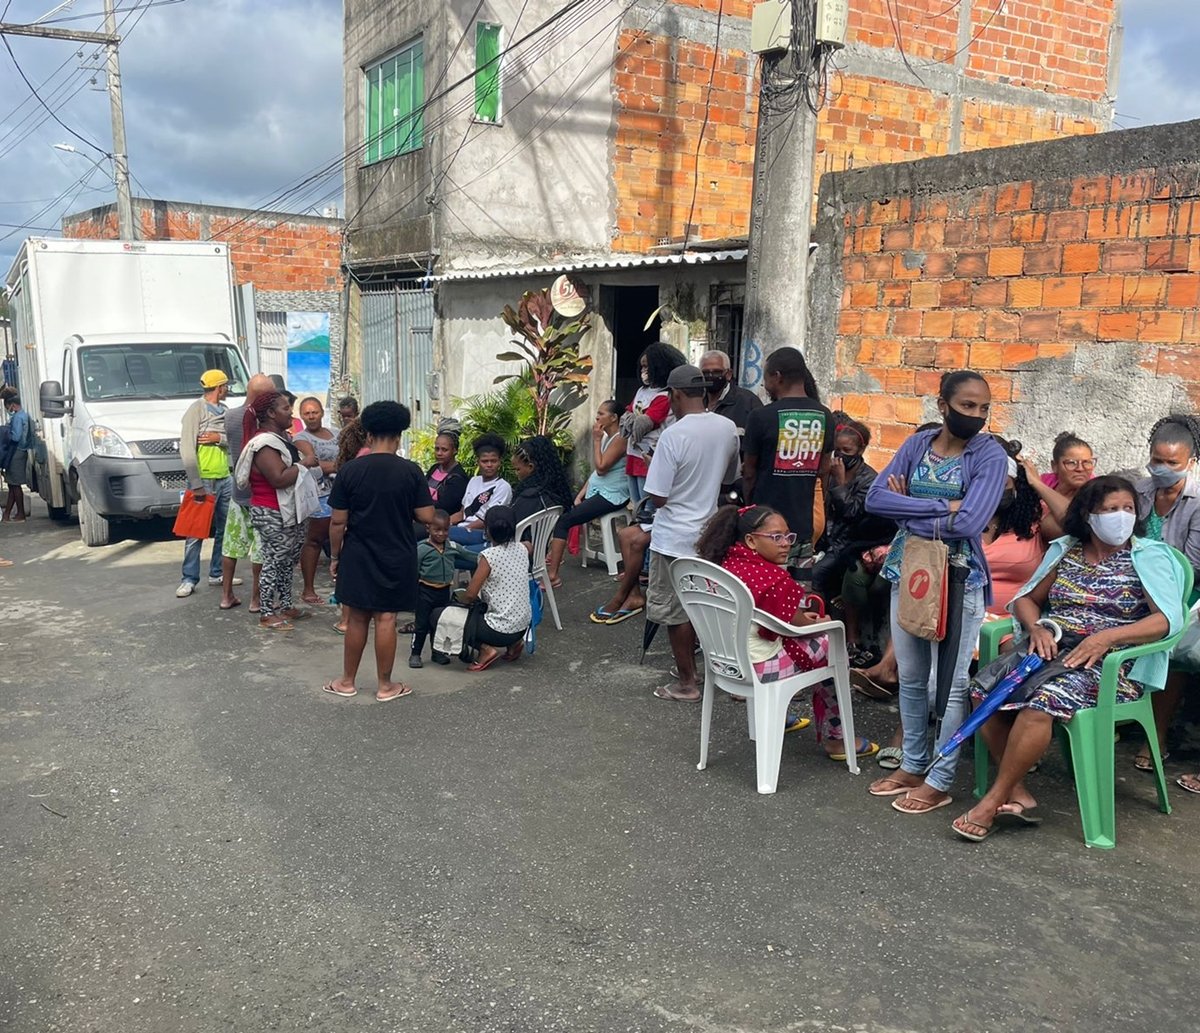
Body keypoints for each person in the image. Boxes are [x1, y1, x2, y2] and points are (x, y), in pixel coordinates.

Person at [952, 476, 1183, 841]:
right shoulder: (1067, 551)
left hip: (1110, 665)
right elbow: (1027, 599)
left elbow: (1166, 619)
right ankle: (1017, 791)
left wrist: (1107, 638)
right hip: (1052, 647)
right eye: (1109, 510)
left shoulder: (1146, 555)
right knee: (984, 693)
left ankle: (993, 800)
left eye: (1127, 509)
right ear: (1089, 516)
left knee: (1041, 704)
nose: (1120, 517)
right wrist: (1037, 628)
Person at [864, 370, 1008, 814]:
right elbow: (873, 499)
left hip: (960, 576)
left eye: (984, 408)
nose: (977, 416)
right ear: (943, 405)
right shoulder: (914, 446)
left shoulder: (990, 455)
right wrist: (943, 505)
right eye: (968, 406)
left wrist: (907, 510)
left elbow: (970, 524)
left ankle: (941, 777)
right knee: (909, 673)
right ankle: (912, 763)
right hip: (911, 571)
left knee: (951, 681)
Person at [698, 504, 879, 759]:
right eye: (776, 537)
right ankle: (836, 739)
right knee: (831, 644)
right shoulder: (772, 578)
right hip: (761, 666)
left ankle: (777, 714)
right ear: (750, 540)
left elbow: (774, 619)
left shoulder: (725, 563)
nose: (786, 544)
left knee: (814, 637)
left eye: (788, 536)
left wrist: (805, 620)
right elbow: (796, 626)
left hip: (724, 661)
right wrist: (821, 624)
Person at [640, 364, 740, 702]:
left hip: (673, 536)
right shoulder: (727, 428)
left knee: (675, 611)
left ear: (676, 395)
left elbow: (658, 495)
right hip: (709, 533)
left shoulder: (673, 435)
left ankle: (687, 682)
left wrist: (658, 463)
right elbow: (728, 479)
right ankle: (721, 673)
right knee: (709, 605)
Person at [323, 401, 434, 701]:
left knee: (357, 617)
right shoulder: (411, 471)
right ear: (399, 436)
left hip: (358, 554)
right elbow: (426, 516)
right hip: (397, 554)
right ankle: (385, 686)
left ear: (368, 436)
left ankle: (346, 682)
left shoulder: (350, 471)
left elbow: (337, 521)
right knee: (386, 617)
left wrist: (335, 556)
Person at [1130, 414, 1200, 774]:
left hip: (1181, 591)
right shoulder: (1139, 491)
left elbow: (1192, 565)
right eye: (1156, 460)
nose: (1162, 468)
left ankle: (1154, 733)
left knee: (1169, 644)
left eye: (1171, 463)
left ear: (1190, 462)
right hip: (1134, 583)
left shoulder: (1197, 502)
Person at [742, 347, 833, 571]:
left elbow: (749, 472)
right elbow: (823, 471)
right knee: (798, 594)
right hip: (802, 527)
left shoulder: (761, 416)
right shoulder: (825, 416)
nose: (764, 385)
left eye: (765, 378)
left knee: (763, 589)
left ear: (777, 377)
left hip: (764, 528)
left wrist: (749, 507)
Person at [235, 391, 308, 631]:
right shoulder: (265, 444)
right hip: (271, 511)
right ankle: (267, 612)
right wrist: (304, 464)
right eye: (286, 408)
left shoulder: (279, 439)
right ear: (270, 413)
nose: (291, 413)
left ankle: (285, 605)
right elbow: (278, 478)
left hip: (287, 509)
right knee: (274, 561)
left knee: (288, 560)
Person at [436, 505, 533, 672]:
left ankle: (486, 650)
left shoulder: (488, 557)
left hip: (498, 631)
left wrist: (459, 600)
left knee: (439, 615)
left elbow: (471, 595)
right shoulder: (523, 548)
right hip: (523, 626)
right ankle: (514, 644)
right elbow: (528, 545)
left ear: (487, 531)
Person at [545, 400, 630, 587]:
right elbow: (595, 474)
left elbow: (600, 469)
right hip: (601, 490)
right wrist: (581, 494)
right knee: (562, 501)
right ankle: (554, 554)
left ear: (614, 417)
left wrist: (596, 440)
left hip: (614, 495)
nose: (597, 417)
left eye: (601, 414)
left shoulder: (620, 439)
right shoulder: (608, 437)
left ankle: (553, 575)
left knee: (564, 521)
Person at [811, 417, 890, 603]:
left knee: (815, 576)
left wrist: (840, 483)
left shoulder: (869, 479)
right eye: (837, 450)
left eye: (847, 451)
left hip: (847, 543)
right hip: (825, 540)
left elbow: (851, 513)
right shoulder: (829, 469)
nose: (841, 455)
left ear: (860, 451)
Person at [176, 370, 237, 599]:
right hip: (204, 480)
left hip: (225, 477)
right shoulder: (197, 410)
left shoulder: (226, 412)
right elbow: (187, 448)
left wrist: (216, 438)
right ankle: (189, 578)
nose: (227, 389)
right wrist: (196, 483)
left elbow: (231, 438)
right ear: (219, 387)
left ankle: (217, 573)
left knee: (224, 529)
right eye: (225, 386)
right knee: (195, 532)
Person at [219, 372, 273, 611]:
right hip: (262, 494)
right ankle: (255, 599)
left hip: (237, 493)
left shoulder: (230, 416)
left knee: (231, 546)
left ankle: (226, 595)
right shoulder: (263, 421)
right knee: (260, 549)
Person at [982, 437, 1052, 615]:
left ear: (1016, 483)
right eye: (984, 484)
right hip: (959, 621)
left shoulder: (1034, 516)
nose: (993, 490)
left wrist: (1037, 484)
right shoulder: (954, 518)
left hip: (1014, 624)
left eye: (1002, 483)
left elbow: (1075, 523)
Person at [410, 510, 478, 668]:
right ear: (428, 529)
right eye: (437, 530)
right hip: (425, 591)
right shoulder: (422, 549)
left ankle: (437, 652)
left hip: (443, 592)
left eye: (445, 530)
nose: (441, 534)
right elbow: (413, 570)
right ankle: (415, 653)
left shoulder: (452, 547)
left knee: (440, 623)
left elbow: (470, 556)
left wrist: (488, 559)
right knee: (421, 625)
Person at [622, 342, 687, 502]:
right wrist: (630, 420)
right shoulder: (641, 391)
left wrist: (631, 420)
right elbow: (627, 415)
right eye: (642, 367)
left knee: (647, 506)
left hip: (651, 458)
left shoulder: (665, 396)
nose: (644, 371)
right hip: (633, 454)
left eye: (648, 367)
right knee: (636, 504)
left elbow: (645, 423)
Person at [294, 397, 340, 605]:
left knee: (344, 540)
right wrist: (337, 465)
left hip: (341, 493)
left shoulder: (336, 434)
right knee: (314, 540)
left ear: (322, 412)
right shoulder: (300, 438)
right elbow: (312, 465)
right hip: (318, 496)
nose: (311, 417)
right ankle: (308, 589)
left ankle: (342, 588)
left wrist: (331, 465)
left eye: (315, 412)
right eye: (307, 413)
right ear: (301, 416)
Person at [450, 433, 513, 548]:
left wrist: (462, 530)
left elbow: (489, 521)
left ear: (500, 462)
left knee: (441, 536)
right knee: (433, 531)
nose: (489, 465)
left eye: (493, 461)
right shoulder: (474, 481)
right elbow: (462, 512)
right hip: (461, 530)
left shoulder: (503, 487)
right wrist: (445, 523)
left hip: (483, 533)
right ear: (478, 462)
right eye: (485, 461)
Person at [1031, 431, 1095, 539]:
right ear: (1054, 466)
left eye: (1087, 462)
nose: (1080, 469)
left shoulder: (1096, 491)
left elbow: (1073, 524)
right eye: (1071, 463)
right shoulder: (1046, 481)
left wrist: (1036, 483)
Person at [511, 435, 575, 538]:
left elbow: (512, 527)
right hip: (541, 550)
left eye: (517, 469)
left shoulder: (529, 496)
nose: (515, 473)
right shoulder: (554, 493)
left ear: (531, 467)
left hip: (518, 550)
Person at [699, 349, 762, 433]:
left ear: (728, 374)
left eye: (717, 372)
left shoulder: (748, 402)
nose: (711, 376)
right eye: (705, 373)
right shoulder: (694, 401)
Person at [423, 424, 469, 524]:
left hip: (438, 524)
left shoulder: (458, 478)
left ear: (455, 450)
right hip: (423, 516)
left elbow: (444, 507)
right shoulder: (435, 468)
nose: (439, 453)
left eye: (444, 450)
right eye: (437, 449)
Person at [2, 393, 30, 522]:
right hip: (21, 452)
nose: (9, 410)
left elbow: (16, 437)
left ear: (12, 405)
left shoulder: (18, 417)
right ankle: (8, 514)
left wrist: (6, 433)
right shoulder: (24, 415)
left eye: (8, 407)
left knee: (15, 484)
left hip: (16, 452)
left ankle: (20, 514)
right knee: (13, 484)